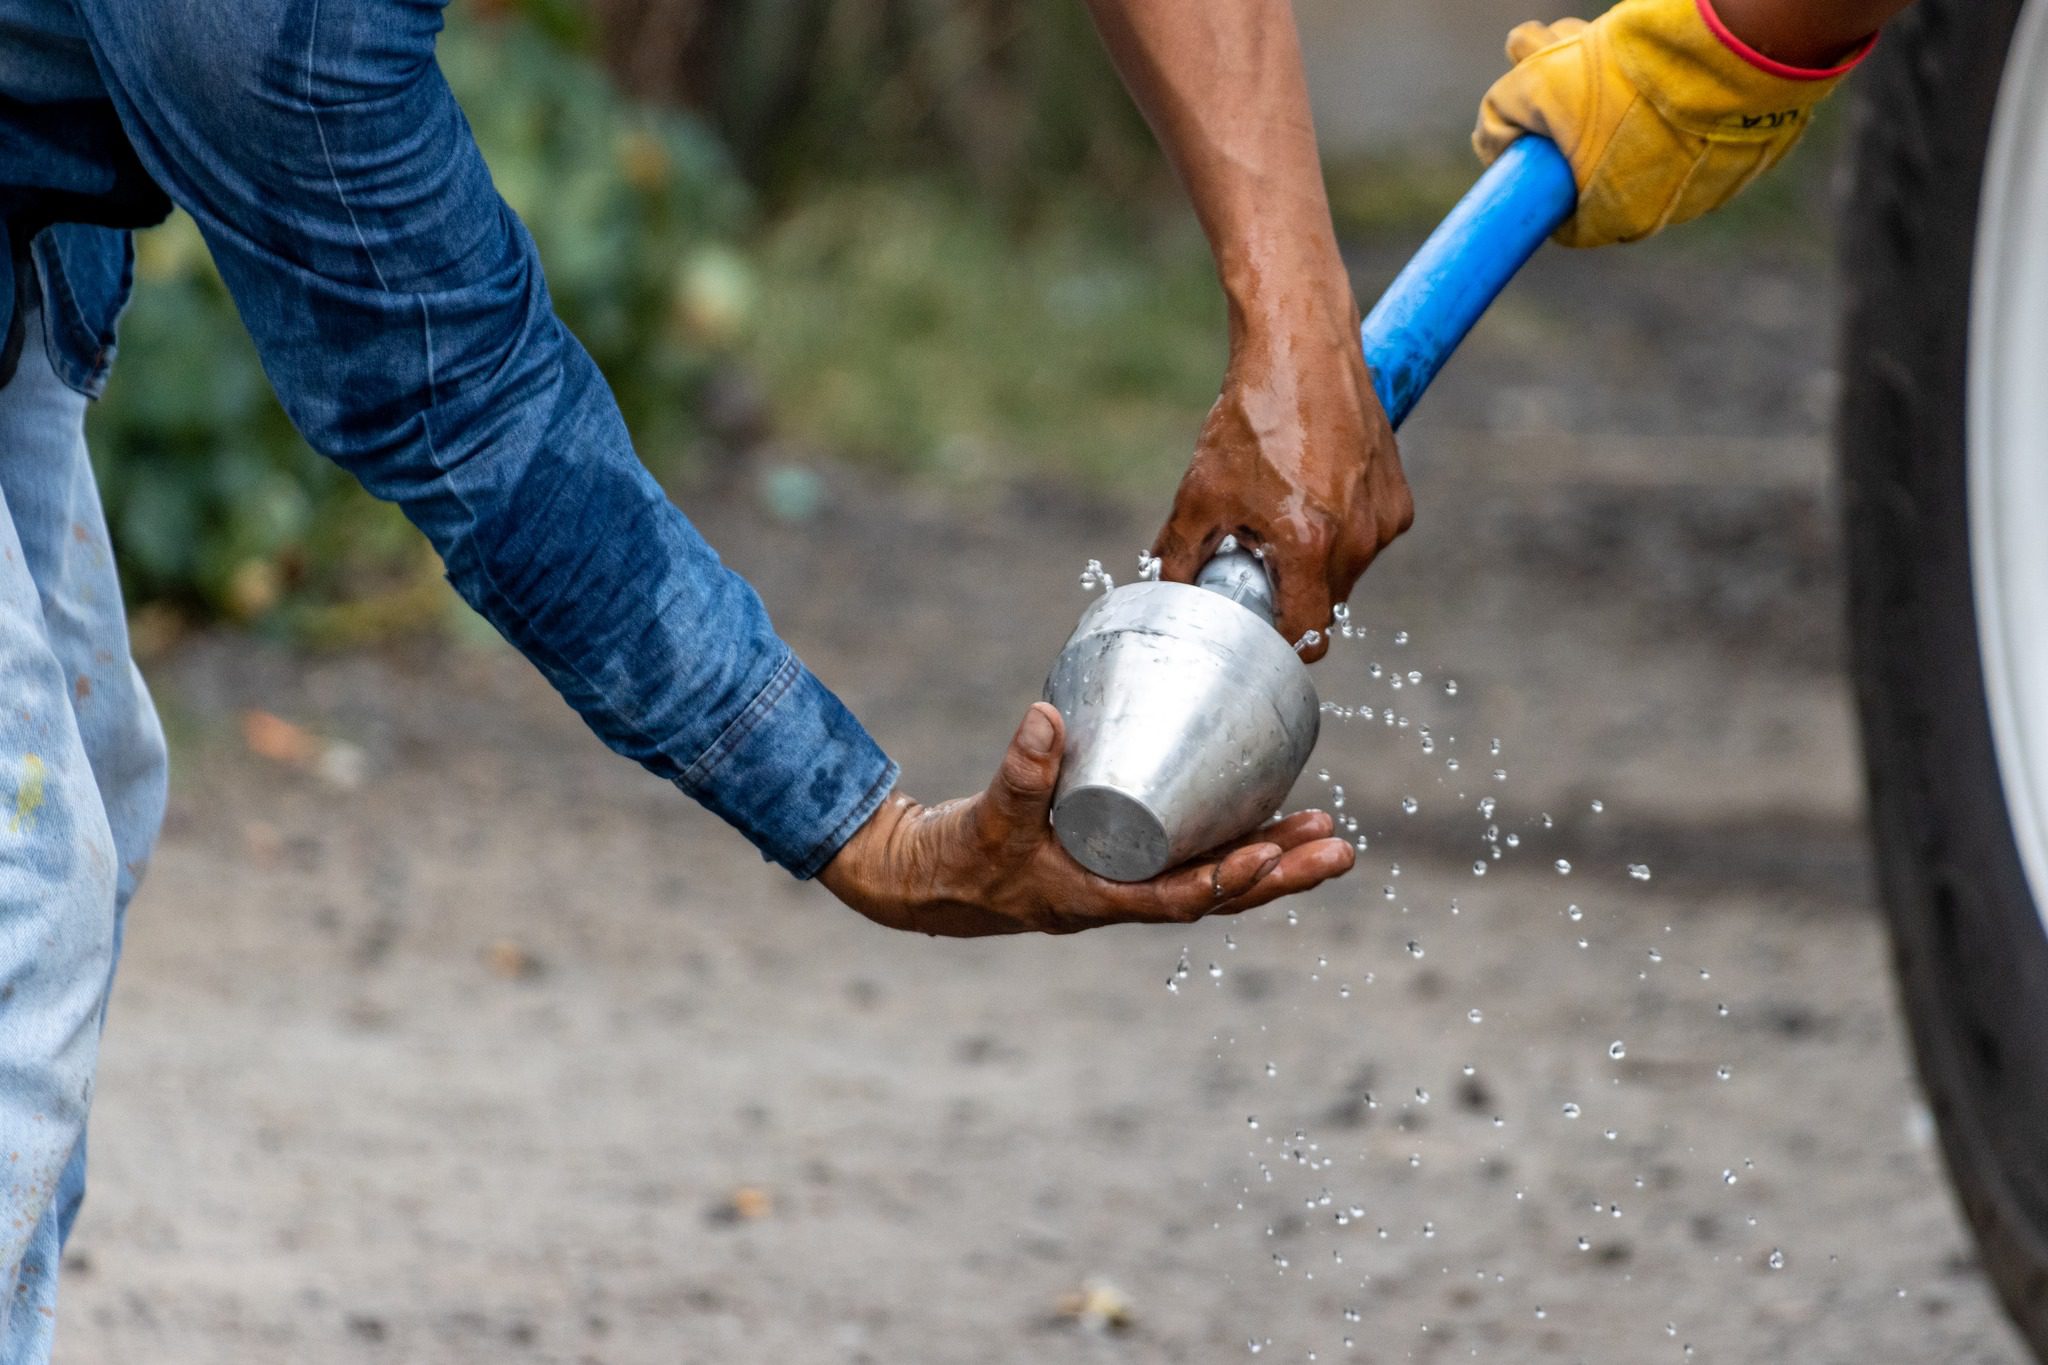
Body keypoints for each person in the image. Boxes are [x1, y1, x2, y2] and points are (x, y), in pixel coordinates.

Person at [0, 0, 1908, 1354]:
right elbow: (468, 408)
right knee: (18, 911)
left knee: (80, 797)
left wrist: (1293, 308)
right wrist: (865, 827)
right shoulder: (275, 36)